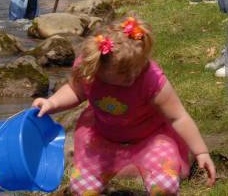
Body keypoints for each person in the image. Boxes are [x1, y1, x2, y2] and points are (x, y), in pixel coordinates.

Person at [32, 16, 216, 195]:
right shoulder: (88, 69)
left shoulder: (150, 79)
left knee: (165, 188)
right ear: (99, 66)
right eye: (124, 72)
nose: (132, 76)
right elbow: (75, 91)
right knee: (83, 190)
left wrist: (201, 152)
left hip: (150, 140)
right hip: (102, 139)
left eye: (138, 67)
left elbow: (178, 117)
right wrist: (52, 102)